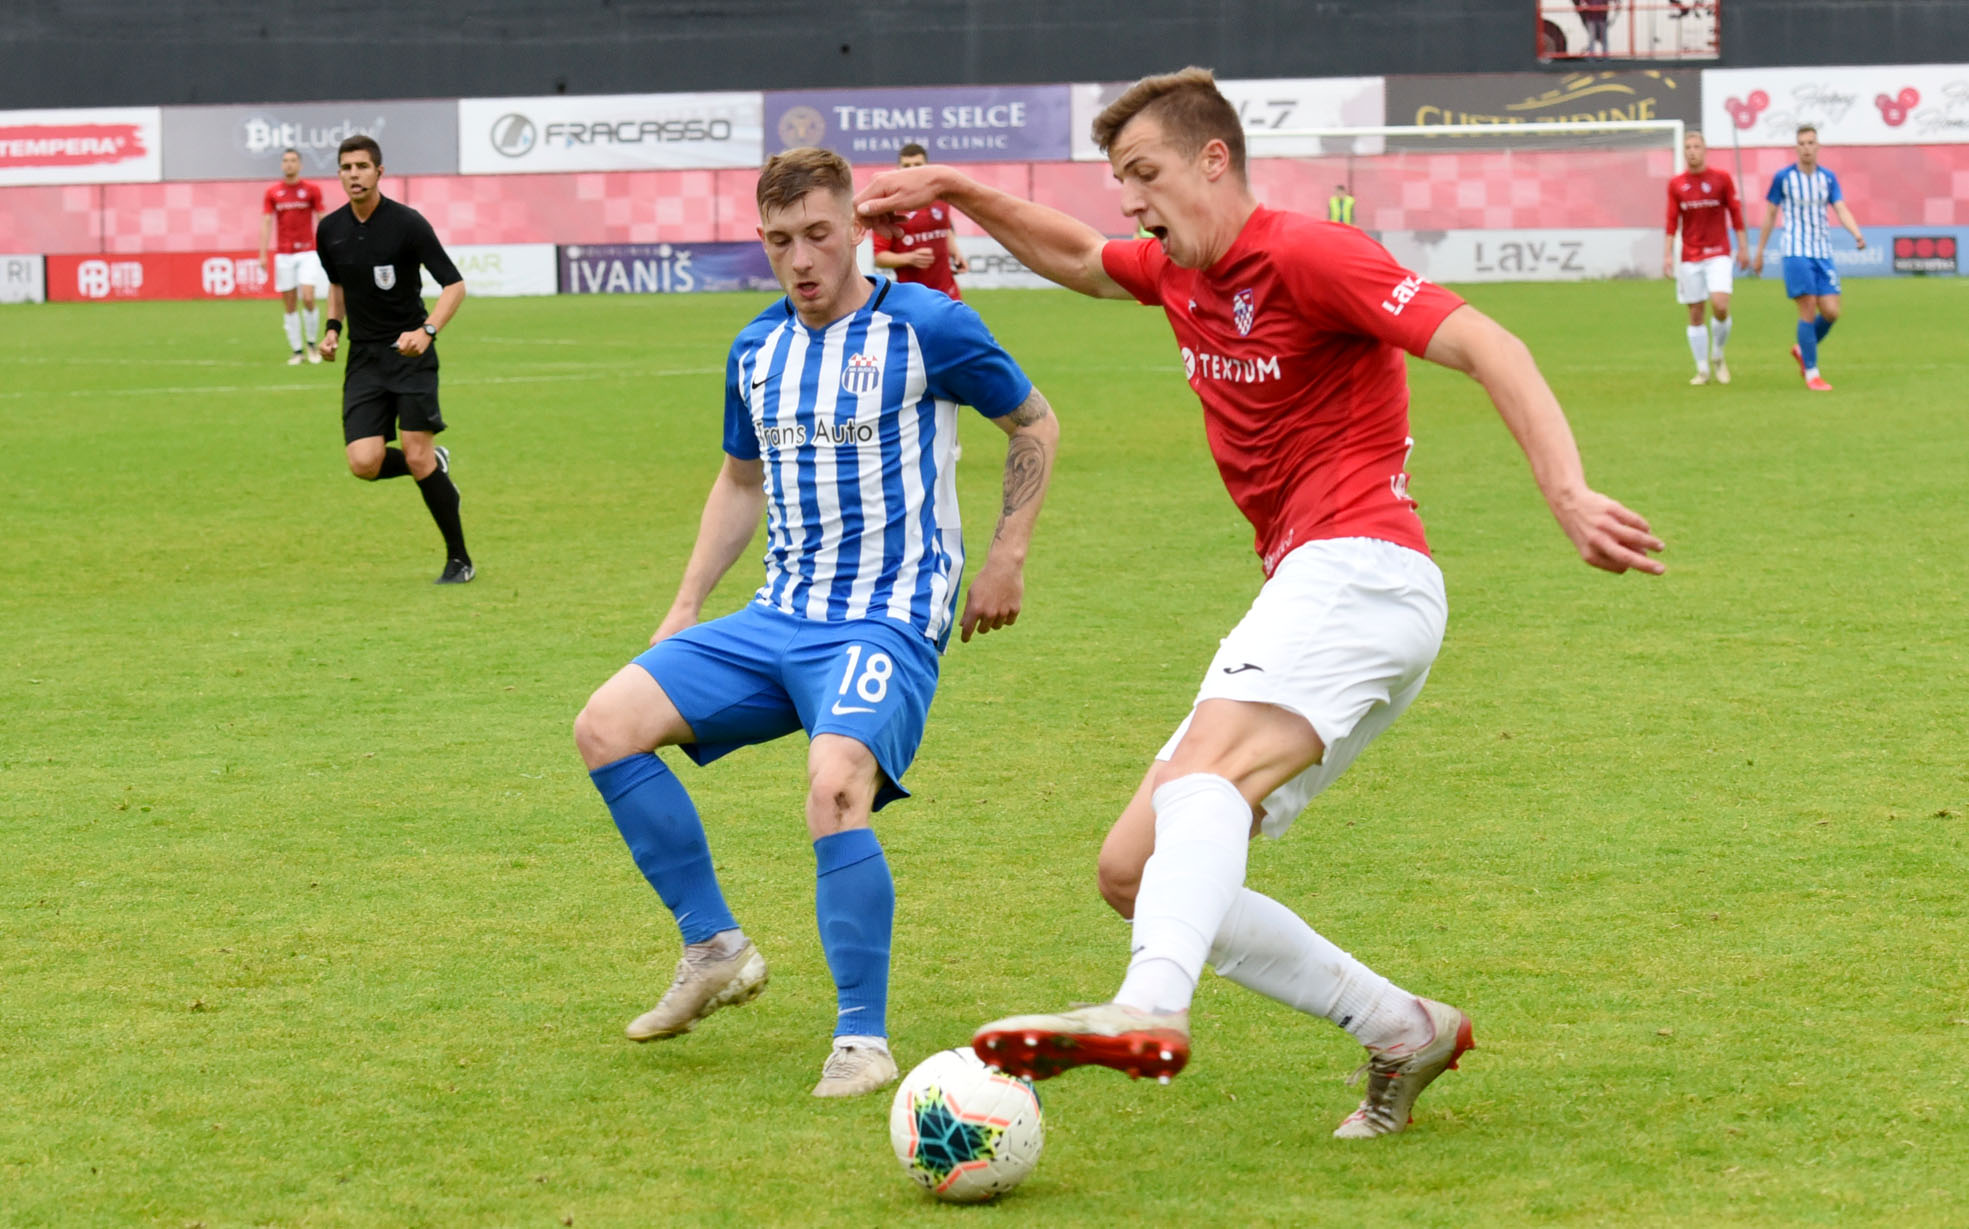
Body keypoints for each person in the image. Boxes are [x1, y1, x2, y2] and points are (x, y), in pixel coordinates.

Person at [857, 67, 1662, 1138]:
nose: (1130, 200)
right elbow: (1078, 257)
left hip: (1360, 565)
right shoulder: (1178, 271)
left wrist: (1565, 492)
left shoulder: (1308, 253)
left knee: (1205, 783)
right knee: (1135, 867)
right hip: (1318, 585)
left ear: (1213, 158)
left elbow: (1488, 342)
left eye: (1143, 173)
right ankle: (1402, 1025)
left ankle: (1150, 1002)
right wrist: (958, 189)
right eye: (1119, 180)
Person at [572, 146, 1059, 1099]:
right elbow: (738, 481)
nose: (799, 259)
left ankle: (861, 1039)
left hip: (885, 618)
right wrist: (684, 606)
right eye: (779, 240)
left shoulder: (928, 324)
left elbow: (1034, 423)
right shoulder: (756, 348)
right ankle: (714, 946)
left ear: (855, 231)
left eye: (818, 235)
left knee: (834, 783)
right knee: (605, 724)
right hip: (778, 617)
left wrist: (1007, 554)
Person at [314, 135, 475, 584]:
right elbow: (338, 284)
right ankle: (434, 465)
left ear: (379, 172)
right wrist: (332, 329)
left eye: (362, 166)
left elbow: (454, 285)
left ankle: (460, 559)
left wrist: (427, 332)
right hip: (364, 358)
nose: (354, 175)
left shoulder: (407, 224)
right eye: (346, 167)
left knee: (417, 455)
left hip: (410, 355)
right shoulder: (330, 230)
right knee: (363, 463)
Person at [1751, 125, 1865, 392]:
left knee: (1831, 311)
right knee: (1808, 306)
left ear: (1818, 146)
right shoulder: (1784, 178)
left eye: (1810, 142)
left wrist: (1856, 233)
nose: (1806, 148)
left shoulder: (1828, 178)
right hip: (1795, 250)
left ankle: (1802, 349)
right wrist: (1760, 251)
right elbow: (1770, 215)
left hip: (1822, 252)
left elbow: (1840, 208)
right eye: (1801, 143)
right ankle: (1812, 373)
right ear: (1796, 148)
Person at [1662, 131, 1747, 386]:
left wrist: (1743, 247)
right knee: (1696, 313)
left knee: (1720, 305)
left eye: (1696, 146)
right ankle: (1702, 369)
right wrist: (1667, 254)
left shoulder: (1721, 179)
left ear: (1705, 149)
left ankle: (1718, 354)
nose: (1692, 151)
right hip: (1690, 256)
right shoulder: (1677, 184)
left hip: (1718, 252)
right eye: (1688, 147)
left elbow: (1735, 214)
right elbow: (1671, 221)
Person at [869, 143, 969, 300]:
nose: (912, 170)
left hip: (948, 293)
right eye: (906, 166)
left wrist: (955, 252)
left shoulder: (940, 197)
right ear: (898, 169)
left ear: (926, 167)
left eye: (917, 165)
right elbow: (880, 258)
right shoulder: (888, 206)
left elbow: (944, 229)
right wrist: (910, 258)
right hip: (913, 297)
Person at [259, 147, 327, 365]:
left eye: (293, 160)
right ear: (282, 164)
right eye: (286, 160)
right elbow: (267, 222)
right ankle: (297, 350)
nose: (289, 164)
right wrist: (262, 254)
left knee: (308, 297)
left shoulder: (311, 190)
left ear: (300, 164)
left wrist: (330, 246)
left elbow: (322, 218)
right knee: (289, 304)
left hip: (308, 252)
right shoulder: (273, 192)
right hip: (284, 255)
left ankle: (312, 344)